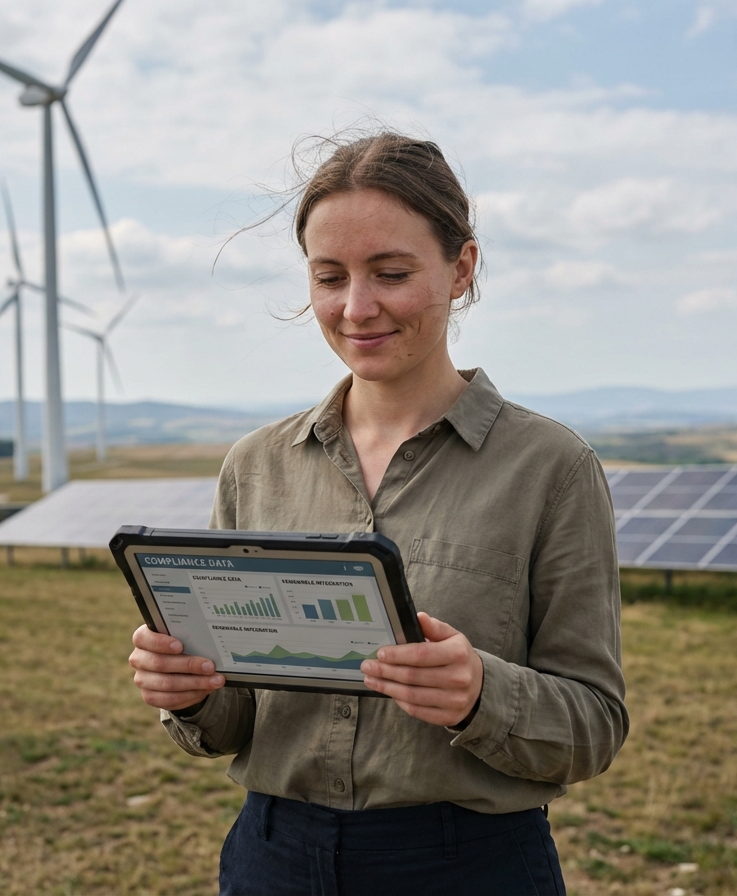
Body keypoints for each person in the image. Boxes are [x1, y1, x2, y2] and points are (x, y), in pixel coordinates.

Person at [129, 131, 627, 896]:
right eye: (329, 277)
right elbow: (234, 723)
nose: (356, 308)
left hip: (469, 867)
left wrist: (479, 693)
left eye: (391, 273)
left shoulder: (552, 468)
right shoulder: (256, 466)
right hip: (272, 858)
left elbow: (593, 727)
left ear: (461, 268)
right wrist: (191, 692)